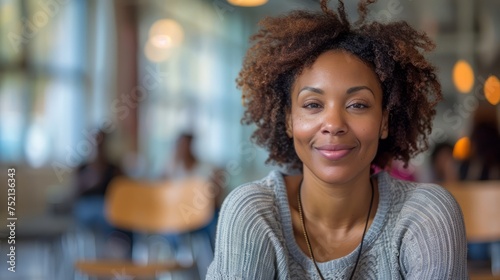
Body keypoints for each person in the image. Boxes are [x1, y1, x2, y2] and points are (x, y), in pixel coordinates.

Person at [207, 0, 468, 279]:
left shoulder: (426, 215)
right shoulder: (253, 214)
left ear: (384, 121)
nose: (333, 125)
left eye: (357, 104)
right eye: (312, 105)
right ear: (289, 120)